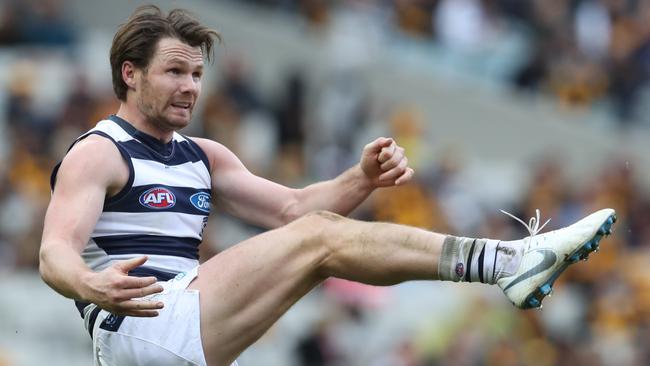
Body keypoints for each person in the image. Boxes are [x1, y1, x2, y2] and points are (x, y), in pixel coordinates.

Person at [39, 5, 617, 366]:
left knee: (320, 240)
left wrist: (360, 178)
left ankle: (509, 262)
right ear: (129, 73)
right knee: (320, 241)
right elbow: (53, 254)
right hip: (140, 329)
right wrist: (90, 286)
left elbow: (294, 208)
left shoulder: (203, 157)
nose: (191, 86)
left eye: (196, 73)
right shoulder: (99, 152)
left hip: (186, 326)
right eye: (174, 71)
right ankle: (508, 261)